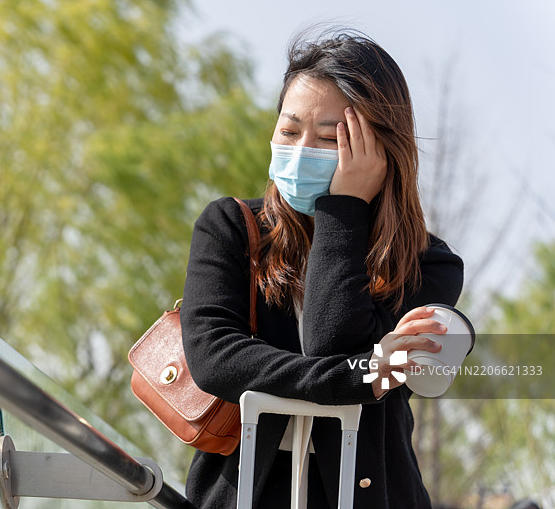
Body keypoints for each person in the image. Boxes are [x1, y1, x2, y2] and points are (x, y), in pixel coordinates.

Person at [180, 29, 465, 508]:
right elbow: (215, 358)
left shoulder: (428, 264)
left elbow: (331, 340)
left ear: (380, 149)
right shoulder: (229, 227)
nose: (300, 149)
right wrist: (360, 376)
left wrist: (344, 208)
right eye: (289, 131)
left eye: (331, 138)